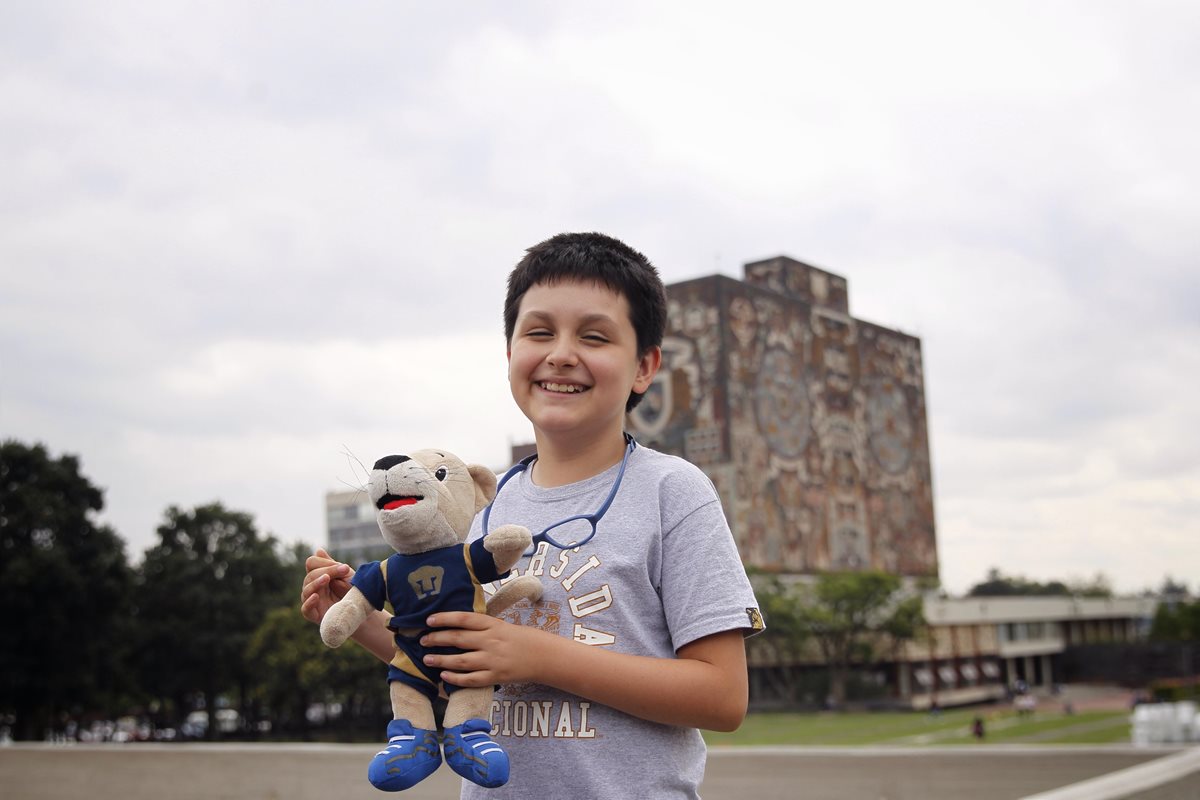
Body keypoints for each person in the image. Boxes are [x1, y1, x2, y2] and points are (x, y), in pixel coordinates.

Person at [302, 232, 763, 799]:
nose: (561, 353)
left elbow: (722, 697)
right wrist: (365, 623)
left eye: (593, 336)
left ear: (644, 366)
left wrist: (539, 656)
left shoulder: (675, 492)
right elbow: (453, 663)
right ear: (510, 351)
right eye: (539, 332)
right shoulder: (481, 506)